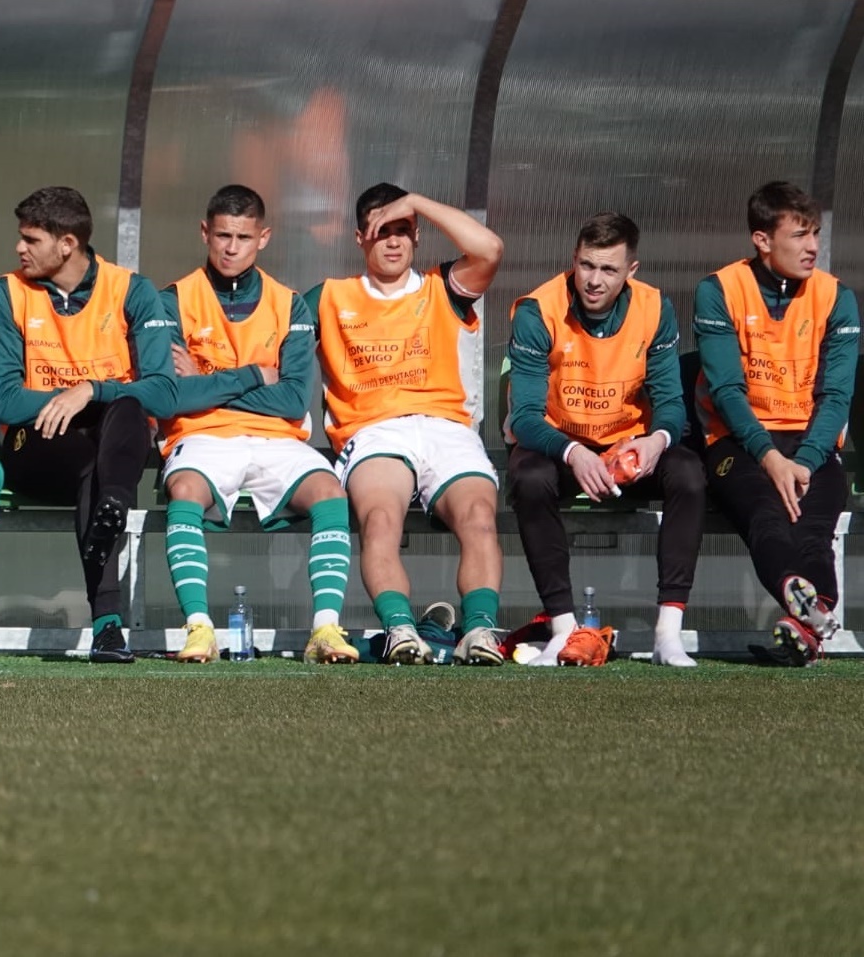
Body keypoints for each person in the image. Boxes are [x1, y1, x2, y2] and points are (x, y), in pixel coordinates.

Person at [157, 185, 358, 666]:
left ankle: (325, 628)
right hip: (201, 434)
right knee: (184, 490)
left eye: (243, 237)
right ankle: (200, 629)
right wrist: (252, 376)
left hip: (276, 439)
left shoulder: (290, 304)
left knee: (330, 492)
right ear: (205, 232)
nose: (231, 247)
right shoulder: (171, 300)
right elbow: (173, 394)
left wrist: (208, 381)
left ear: (263, 238)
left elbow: (292, 399)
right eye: (222, 235)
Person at [307, 182, 506, 665]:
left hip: (445, 427)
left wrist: (416, 202)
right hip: (374, 431)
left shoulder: (443, 287)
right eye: (381, 231)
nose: (393, 241)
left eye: (404, 230)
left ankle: (479, 632)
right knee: (380, 520)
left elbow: (490, 248)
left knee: (479, 518)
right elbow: (273, 346)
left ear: (417, 236)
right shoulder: (330, 297)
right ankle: (399, 630)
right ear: (359, 238)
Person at [0, 185, 178, 664]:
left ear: (66, 244)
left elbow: (164, 389)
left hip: (110, 442)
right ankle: (108, 618)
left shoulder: (133, 289)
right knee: (100, 461)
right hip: (37, 443)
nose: (18, 249)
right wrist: (70, 400)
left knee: (126, 411)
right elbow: (5, 401)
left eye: (30, 239)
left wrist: (91, 390)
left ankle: (108, 629)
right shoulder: (5, 293)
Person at [506, 212, 703, 667]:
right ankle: (561, 628)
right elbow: (526, 418)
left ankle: (667, 633)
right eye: (587, 266)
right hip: (559, 446)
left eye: (609, 269)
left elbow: (672, 402)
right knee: (530, 478)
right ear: (574, 259)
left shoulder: (655, 307)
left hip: (629, 447)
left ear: (631, 271)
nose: (594, 281)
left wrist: (655, 441)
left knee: (689, 474)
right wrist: (573, 453)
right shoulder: (539, 309)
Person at [694, 181, 858, 666]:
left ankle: (800, 619)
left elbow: (837, 395)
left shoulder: (836, 297)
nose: (813, 247)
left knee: (814, 532)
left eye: (817, 234)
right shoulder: (719, 289)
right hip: (737, 443)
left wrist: (804, 461)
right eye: (800, 235)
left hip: (812, 445)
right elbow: (725, 392)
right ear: (762, 240)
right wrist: (770, 458)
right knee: (766, 515)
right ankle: (804, 604)